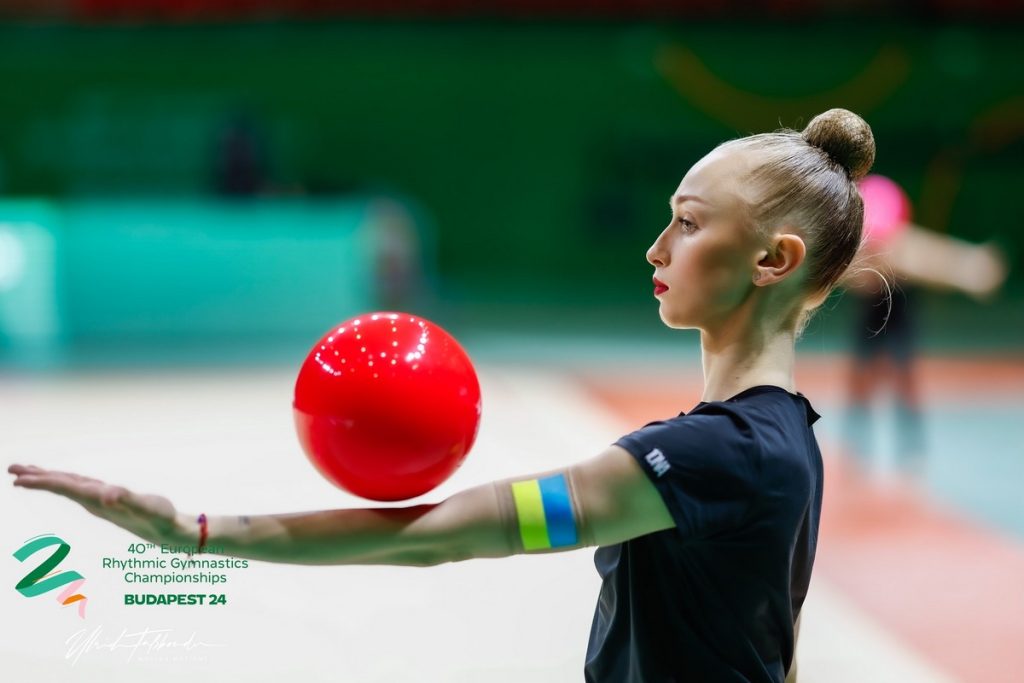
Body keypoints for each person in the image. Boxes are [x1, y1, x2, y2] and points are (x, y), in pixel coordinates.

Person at [8, 107, 877, 682]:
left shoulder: (708, 456)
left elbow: (458, 532)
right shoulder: (780, 437)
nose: (656, 247)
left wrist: (196, 534)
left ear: (774, 260)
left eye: (687, 223)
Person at [841, 174, 1007, 474]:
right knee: (861, 381)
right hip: (870, 318)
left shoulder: (907, 249)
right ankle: (856, 448)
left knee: (904, 380)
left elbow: (945, 262)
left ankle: (911, 449)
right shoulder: (855, 256)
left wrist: (974, 269)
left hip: (900, 318)